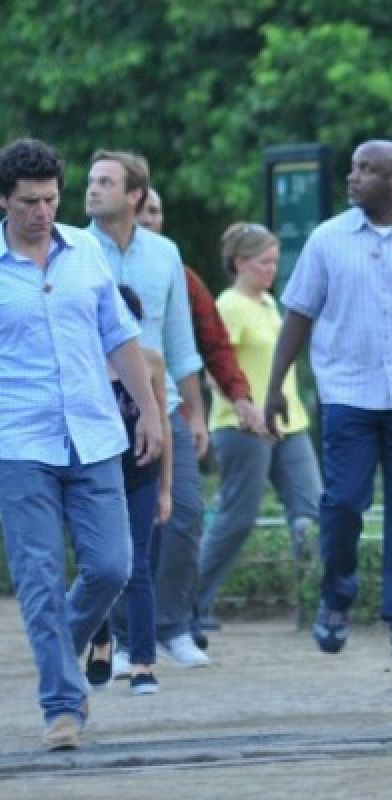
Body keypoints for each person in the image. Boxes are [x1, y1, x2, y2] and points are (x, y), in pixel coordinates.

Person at [0, 137, 163, 749]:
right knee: (39, 576)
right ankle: (62, 706)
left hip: (94, 436)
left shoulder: (88, 252)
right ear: (3, 202)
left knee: (113, 564)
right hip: (18, 443)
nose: (41, 213)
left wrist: (147, 413)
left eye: (49, 200)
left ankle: (59, 663)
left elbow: (121, 339)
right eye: (27, 203)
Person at [266, 140, 392, 659]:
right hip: (347, 395)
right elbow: (299, 315)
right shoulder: (327, 240)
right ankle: (337, 596)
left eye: (366, 170)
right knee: (343, 502)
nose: (352, 177)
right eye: (351, 167)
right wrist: (277, 385)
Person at [85, 150, 211, 669]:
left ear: (134, 195)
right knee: (111, 531)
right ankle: (112, 638)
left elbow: (180, 342)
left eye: (105, 182)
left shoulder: (165, 254)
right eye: (90, 181)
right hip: (97, 408)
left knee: (184, 513)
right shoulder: (73, 251)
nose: (91, 190)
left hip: (164, 404)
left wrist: (197, 413)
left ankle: (173, 626)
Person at [194, 223, 322, 630]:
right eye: (264, 262)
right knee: (237, 517)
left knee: (313, 512)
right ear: (240, 263)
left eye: (274, 260)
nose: (273, 268)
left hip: (290, 424)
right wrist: (246, 408)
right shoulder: (229, 305)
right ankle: (189, 603)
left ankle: (316, 604)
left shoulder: (269, 303)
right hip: (242, 427)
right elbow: (215, 370)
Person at [86, 285, 173, 696]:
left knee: (138, 567)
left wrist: (166, 488)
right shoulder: (83, 363)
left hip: (141, 472)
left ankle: (142, 660)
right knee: (98, 565)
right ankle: (101, 641)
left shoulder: (151, 361)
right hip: (97, 474)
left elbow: (163, 425)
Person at [138, 187, 265, 444]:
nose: (147, 219)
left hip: (172, 407)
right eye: (140, 211)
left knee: (181, 484)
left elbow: (214, 344)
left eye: (154, 211)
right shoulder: (94, 261)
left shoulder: (182, 277)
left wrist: (239, 396)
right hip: (107, 410)